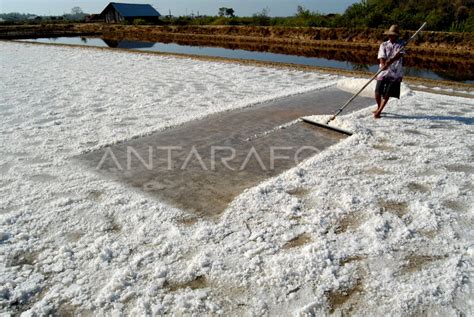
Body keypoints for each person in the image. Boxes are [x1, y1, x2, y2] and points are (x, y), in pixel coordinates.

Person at [373, 25, 405, 119]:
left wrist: (391, 60)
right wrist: (383, 64)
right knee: (377, 91)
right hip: (383, 71)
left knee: (387, 93)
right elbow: (381, 56)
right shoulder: (384, 44)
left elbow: (400, 55)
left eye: (393, 35)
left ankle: (379, 111)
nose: (391, 37)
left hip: (395, 72)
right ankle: (379, 107)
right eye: (390, 35)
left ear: (396, 36)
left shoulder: (402, 44)